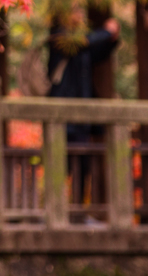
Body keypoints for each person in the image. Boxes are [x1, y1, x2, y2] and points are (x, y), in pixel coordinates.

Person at [47, 11, 120, 213]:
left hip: (82, 118)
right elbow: (83, 42)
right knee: (61, 164)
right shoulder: (59, 37)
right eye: (74, 10)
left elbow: (97, 53)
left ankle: (78, 210)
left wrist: (112, 39)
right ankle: (56, 210)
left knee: (83, 165)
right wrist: (106, 31)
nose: (79, 14)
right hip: (61, 116)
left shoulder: (83, 43)